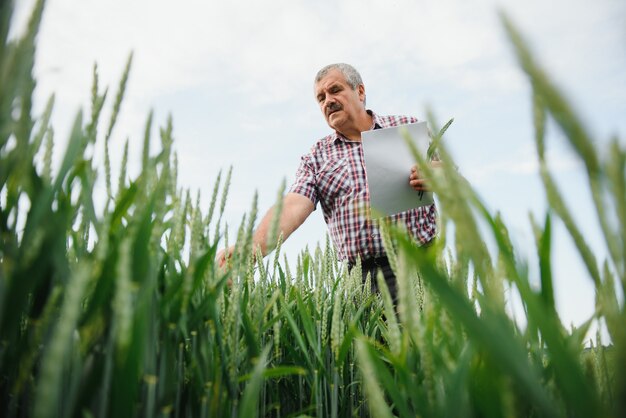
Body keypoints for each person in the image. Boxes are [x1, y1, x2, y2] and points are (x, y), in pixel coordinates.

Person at [216, 63, 440, 302]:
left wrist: (440, 175)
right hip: (361, 284)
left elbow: (453, 180)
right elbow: (293, 206)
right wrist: (251, 250)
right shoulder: (318, 156)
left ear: (360, 92)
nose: (328, 101)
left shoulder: (404, 129)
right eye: (320, 98)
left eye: (335, 90)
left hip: (419, 269)